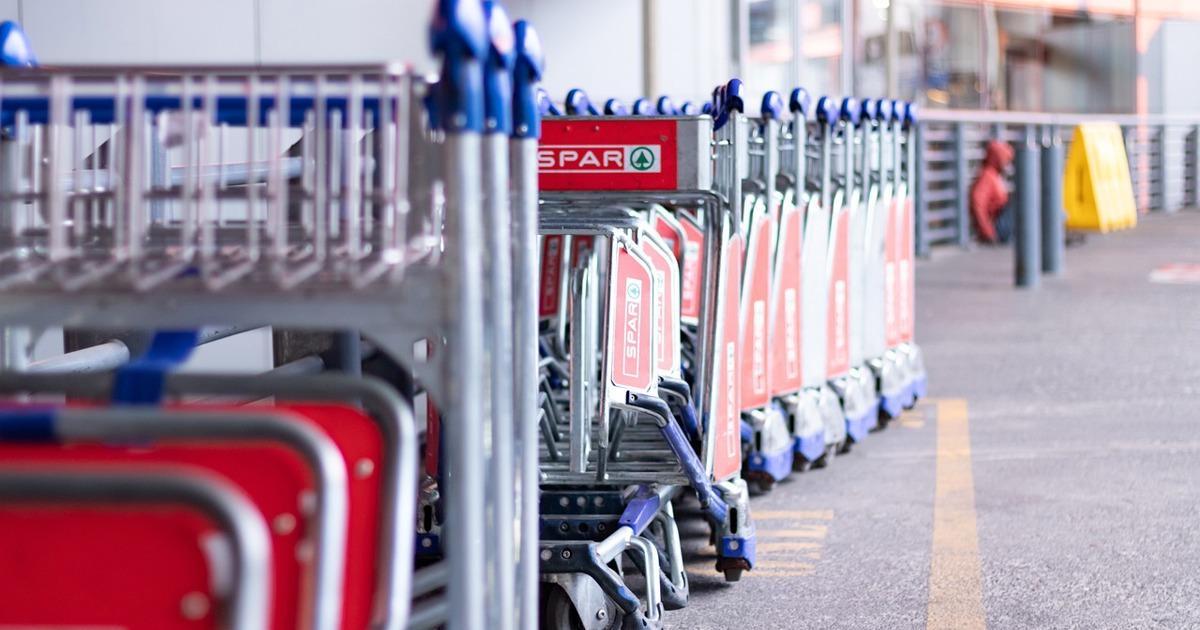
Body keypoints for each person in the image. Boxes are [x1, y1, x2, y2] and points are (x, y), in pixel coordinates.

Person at [970, 139, 1014, 244]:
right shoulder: (987, 177)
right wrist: (988, 232)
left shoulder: (994, 175)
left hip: (999, 224)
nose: (1007, 164)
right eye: (1006, 160)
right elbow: (977, 203)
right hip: (996, 227)